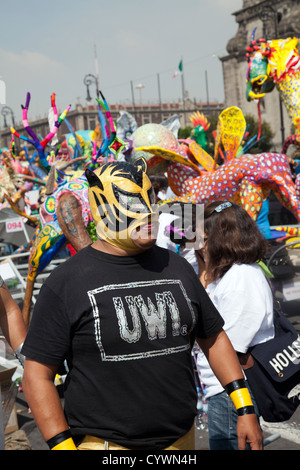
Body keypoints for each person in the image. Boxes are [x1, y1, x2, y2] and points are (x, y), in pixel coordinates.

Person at [21, 160, 263, 451]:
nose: (148, 213)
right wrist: (61, 446)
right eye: (133, 204)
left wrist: (245, 408)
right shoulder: (67, 282)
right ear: (101, 210)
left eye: (150, 201)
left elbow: (212, 337)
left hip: (181, 441)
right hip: (108, 446)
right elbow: (38, 374)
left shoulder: (175, 266)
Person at [196, 200, 274, 450]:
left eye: (206, 239)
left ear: (223, 239)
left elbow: (229, 346)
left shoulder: (241, 278)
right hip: (226, 391)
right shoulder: (230, 274)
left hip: (231, 392)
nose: (201, 245)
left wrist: (243, 410)